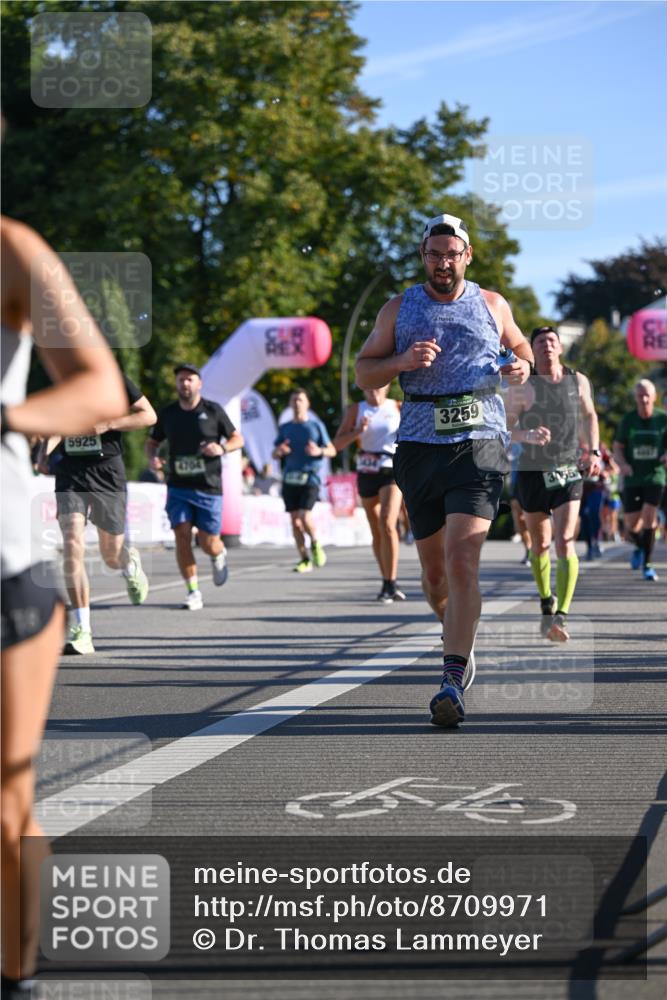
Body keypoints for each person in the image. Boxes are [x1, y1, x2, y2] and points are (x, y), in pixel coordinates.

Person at [1, 215, 126, 1000]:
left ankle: (16, 977)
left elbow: (99, 388)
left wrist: (9, 418)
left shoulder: (11, 249)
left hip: (4, 566)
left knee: (4, 803)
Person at [355, 212, 533, 727]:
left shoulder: (493, 303)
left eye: (451, 255)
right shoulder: (398, 308)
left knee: (462, 560)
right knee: (435, 578)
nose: (442, 263)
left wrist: (521, 365)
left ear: (467, 256)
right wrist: (401, 362)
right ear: (423, 256)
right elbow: (364, 370)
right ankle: (457, 632)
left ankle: (451, 677)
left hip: (480, 443)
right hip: (419, 445)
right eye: (434, 255)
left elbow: (520, 347)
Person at [41, 374, 156, 654]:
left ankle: (129, 563)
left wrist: (109, 424)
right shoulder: (62, 378)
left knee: (111, 554)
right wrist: (44, 453)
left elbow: (148, 415)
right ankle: (83, 629)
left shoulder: (114, 378)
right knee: (71, 543)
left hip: (106, 471)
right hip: (70, 471)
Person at [506, 325, 601, 641]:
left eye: (551, 341)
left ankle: (562, 615)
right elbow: (502, 428)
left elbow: (589, 415)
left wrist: (594, 451)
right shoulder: (522, 387)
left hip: (568, 470)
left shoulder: (578, 380)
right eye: (540, 342)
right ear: (532, 351)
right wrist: (527, 435)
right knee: (541, 544)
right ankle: (546, 600)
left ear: (560, 347)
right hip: (533, 472)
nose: (546, 345)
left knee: (564, 541)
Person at [145, 364, 244, 609]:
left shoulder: (213, 410)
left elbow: (237, 438)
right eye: (181, 380)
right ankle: (193, 591)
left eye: (190, 379)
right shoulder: (168, 413)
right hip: (178, 486)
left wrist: (221, 448)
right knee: (182, 535)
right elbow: (152, 442)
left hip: (208, 487)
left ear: (199, 383)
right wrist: (153, 458)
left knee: (209, 543)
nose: (185, 384)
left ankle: (218, 554)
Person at [333, 385, 405, 602]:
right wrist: (358, 431)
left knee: (387, 523)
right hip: (366, 471)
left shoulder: (397, 407)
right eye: (369, 386)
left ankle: (391, 582)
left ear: (387, 386)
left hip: (391, 470)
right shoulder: (356, 410)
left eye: (379, 385)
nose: (374, 389)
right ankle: (386, 580)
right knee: (376, 529)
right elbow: (337, 444)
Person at [272, 387, 337, 573]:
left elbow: (332, 451)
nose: (297, 403)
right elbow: (274, 454)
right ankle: (304, 559)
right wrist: (279, 452)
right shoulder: (285, 428)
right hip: (290, 479)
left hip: (310, 478)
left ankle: (315, 543)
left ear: (307, 403)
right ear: (290, 404)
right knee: (295, 522)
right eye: (294, 400)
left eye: (300, 399)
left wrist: (319, 451)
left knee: (304, 516)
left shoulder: (316, 426)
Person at [613, 379, 667, 582]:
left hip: (655, 475)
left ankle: (648, 565)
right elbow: (618, 447)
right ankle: (639, 545)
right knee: (631, 525)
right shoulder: (628, 420)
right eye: (640, 395)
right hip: (632, 477)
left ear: (654, 397)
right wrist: (623, 464)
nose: (644, 399)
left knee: (649, 517)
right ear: (635, 398)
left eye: (647, 395)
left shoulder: (663, 419)